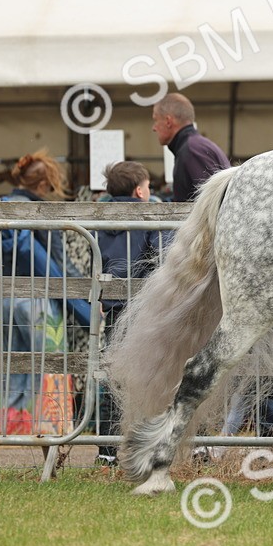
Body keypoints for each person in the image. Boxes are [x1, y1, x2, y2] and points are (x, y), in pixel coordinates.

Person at [0, 151, 92, 435]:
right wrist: (87, 297)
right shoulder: (44, 213)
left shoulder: (0, 207)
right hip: (41, 303)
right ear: (44, 184)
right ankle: (50, 432)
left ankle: (4, 431)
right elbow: (61, 265)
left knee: (11, 366)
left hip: (6, 300)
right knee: (50, 367)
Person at [93, 161, 161, 465]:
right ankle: (148, 444)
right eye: (148, 187)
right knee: (151, 377)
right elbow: (160, 258)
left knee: (113, 378)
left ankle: (106, 450)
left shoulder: (101, 220)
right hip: (145, 310)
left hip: (116, 310)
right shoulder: (148, 217)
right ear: (139, 191)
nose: (149, 193)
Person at [150, 93, 230, 201]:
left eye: (155, 120)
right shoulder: (196, 146)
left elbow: (212, 202)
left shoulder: (192, 151)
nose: (153, 128)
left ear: (168, 121)